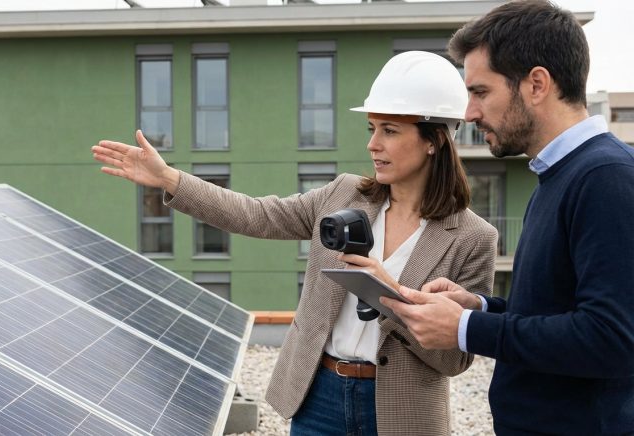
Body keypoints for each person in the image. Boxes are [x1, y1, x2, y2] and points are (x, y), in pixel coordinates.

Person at [92, 51, 497, 436]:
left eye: (389, 130)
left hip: (402, 412)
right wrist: (169, 179)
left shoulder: (473, 239)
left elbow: (454, 359)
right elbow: (255, 214)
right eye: (371, 128)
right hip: (318, 396)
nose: (373, 144)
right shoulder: (343, 194)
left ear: (434, 140)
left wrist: (390, 296)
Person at [380, 1, 634, 435]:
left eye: (480, 92)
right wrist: (479, 305)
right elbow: (556, 310)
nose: (469, 114)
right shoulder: (558, 175)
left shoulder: (606, 178)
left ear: (536, 84)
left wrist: (467, 329)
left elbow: (611, 339)